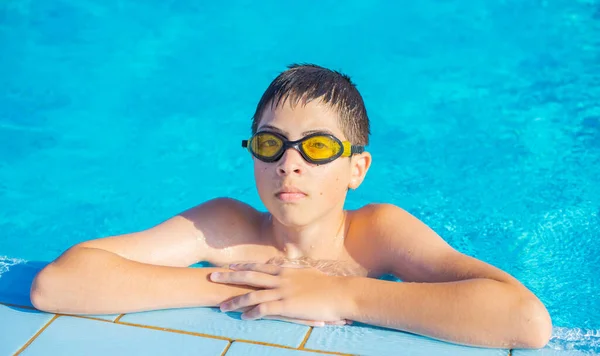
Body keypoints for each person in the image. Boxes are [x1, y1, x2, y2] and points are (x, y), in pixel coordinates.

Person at [30, 64, 552, 349]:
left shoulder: (378, 234)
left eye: (319, 146)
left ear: (356, 169)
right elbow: (59, 283)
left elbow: (525, 320)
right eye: (270, 143)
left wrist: (339, 295)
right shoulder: (224, 228)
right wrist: (247, 284)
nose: (289, 163)